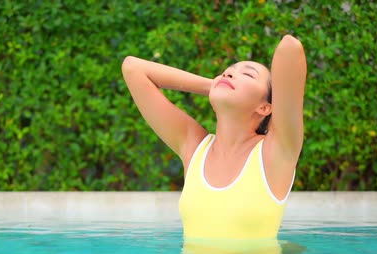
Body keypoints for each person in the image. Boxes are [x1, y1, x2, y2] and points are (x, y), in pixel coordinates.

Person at [122, 35, 307, 240]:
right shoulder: (194, 148)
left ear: (264, 107)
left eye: (248, 74)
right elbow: (132, 68)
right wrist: (214, 85)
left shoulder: (276, 153)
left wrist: (223, 85)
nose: (228, 73)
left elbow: (289, 47)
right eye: (227, 71)